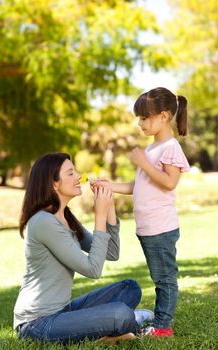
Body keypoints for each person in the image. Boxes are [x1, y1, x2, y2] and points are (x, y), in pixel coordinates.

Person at [13, 152, 153, 345]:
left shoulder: (66, 217)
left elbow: (112, 253)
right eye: (70, 173)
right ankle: (117, 327)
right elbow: (93, 269)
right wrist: (99, 215)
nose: (79, 176)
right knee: (121, 314)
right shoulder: (43, 222)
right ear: (54, 183)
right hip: (37, 324)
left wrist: (108, 206)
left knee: (130, 288)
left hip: (63, 311)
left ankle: (108, 329)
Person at [92, 87, 190, 337]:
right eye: (140, 117)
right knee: (159, 277)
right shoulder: (151, 150)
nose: (140, 122)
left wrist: (144, 164)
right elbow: (140, 186)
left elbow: (169, 182)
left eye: (145, 117)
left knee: (165, 279)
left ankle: (163, 327)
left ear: (164, 116)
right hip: (147, 228)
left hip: (161, 227)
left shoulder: (170, 147)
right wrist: (108, 186)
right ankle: (161, 322)